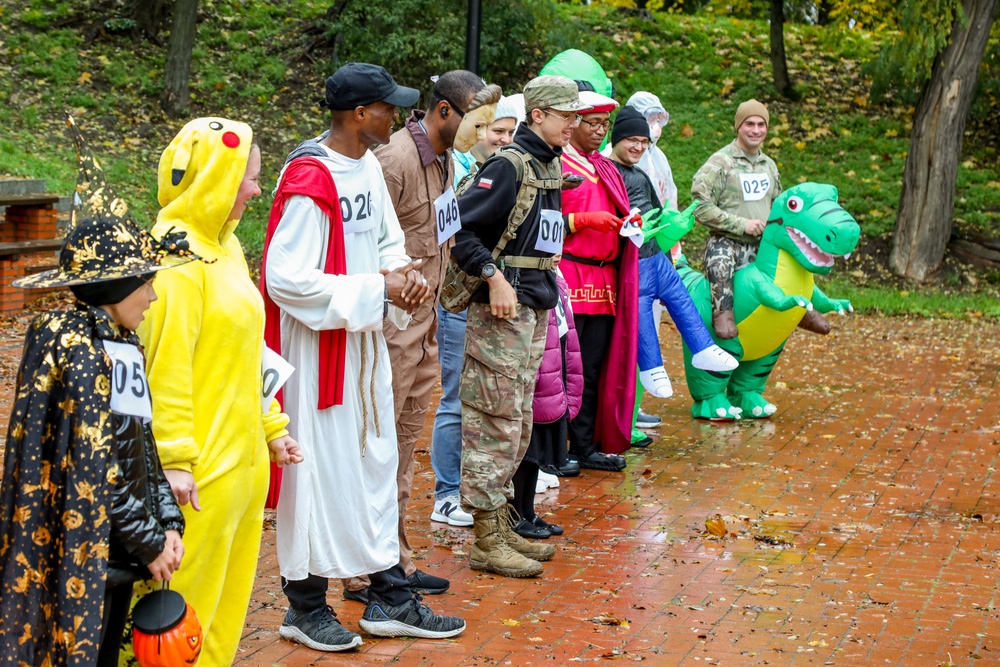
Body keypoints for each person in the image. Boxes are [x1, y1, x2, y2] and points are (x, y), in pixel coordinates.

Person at [262, 62, 465, 651]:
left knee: (374, 464)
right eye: (386, 107)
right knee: (320, 474)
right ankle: (303, 606)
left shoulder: (367, 168)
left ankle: (388, 598)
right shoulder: (310, 177)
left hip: (365, 342)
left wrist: (405, 276)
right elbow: (286, 279)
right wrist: (379, 289)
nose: (397, 116)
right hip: (321, 352)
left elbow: (385, 242)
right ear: (358, 115)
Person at [0, 122, 186, 667]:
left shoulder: (121, 341)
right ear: (116, 286)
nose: (153, 294)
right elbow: (92, 465)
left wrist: (166, 522)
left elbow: (139, 442)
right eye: (145, 281)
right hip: (80, 548)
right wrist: (149, 539)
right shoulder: (77, 349)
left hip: (118, 544)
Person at [132, 117, 302, 667]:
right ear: (215, 180)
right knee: (178, 617)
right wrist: (175, 460)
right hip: (197, 477)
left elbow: (248, 350)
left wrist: (272, 427)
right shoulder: (177, 262)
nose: (256, 188)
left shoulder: (224, 248)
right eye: (248, 178)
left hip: (241, 466)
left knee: (226, 609)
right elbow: (166, 368)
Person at [340, 70, 485, 602]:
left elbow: (439, 237)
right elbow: (366, 248)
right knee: (375, 446)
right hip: (390, 331)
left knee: (401, 448)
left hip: (425, 329)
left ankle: (393, 557)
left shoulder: (445, 159)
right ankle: (360, 570)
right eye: (476, 119)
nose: (483, 131)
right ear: (445, 111)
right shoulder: (395, 160)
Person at [451, 74, 584, 578]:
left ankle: (502, 525)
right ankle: (485, 539)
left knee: (518, 420)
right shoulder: (509, 165)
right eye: (565, 115)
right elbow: (458, 227)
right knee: (493, 420)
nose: (573, 124)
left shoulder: (548, 164)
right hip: (503, 311)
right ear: (539, 116)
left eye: (576, 116)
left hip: (535, 305)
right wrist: (491, 277)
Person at [430, 91, 524, 529]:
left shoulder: (508, 170)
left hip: (492, 300)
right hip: (459, 294)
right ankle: (445, 493)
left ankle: (479, 487)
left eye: (510, 132)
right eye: (496, 130)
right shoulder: (464, 171)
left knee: (484, 397)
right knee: (453, 397)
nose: (502, 139)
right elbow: (450, 232)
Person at [607, 106, 737, 400]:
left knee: (682, 299)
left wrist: (672, 230)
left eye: (644, 142)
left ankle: (703, 348)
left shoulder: (640, 174)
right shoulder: (607, 172)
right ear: (617, 139)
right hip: (632, 261)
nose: (639, 147)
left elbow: (658, 210)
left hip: (657, 257)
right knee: (641, 315)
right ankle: (652, 369)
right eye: (632, 140)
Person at [560, 87, 641, 472]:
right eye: (592, 123)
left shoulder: (604, 167)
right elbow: (532, 224)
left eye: (603, 125)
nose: (599, 131)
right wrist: (580, 222)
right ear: (572, 122)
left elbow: (618, 207)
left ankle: (586, 444)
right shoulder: (557, 164)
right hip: (569, 273)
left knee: (592, 366)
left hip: (604, 280)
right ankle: (556, 449)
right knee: (562, 368)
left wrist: (630, 224)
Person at [691, 99, 782, 340]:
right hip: (727, 243)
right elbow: (699, 206)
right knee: (719, 260)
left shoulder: (769, 166)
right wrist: (742, 224)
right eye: (749, 123)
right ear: (738, 127)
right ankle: (722, 313)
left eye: (761, 124)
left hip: (762, 246)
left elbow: (778, 206)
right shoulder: (721, 162)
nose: (755, 130)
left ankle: (803, 307)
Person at [510, 265, 582, 539]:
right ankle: (515, 515)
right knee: (526, 450)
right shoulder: (531, 279)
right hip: (539, 375)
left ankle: (527, 511)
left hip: (554, 372)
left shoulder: (557, 280)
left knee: (536, 454)